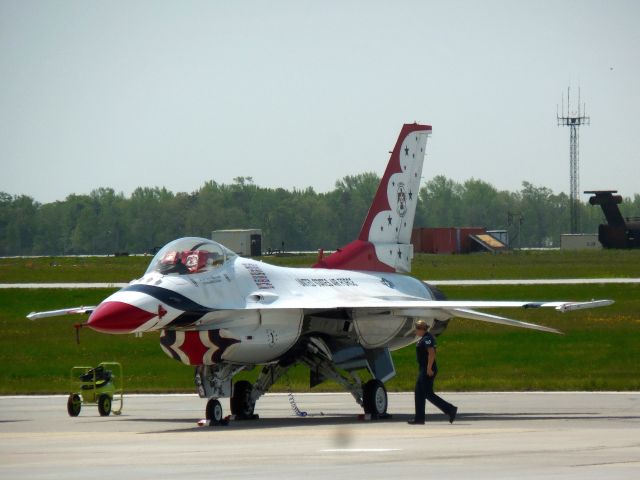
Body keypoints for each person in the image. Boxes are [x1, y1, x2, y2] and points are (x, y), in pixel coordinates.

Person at [408, 319, 458, 425]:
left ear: (421, 329)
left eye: (416, 329)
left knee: (428, 393)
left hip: (427, 369)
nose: (415, 331)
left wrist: (429, 368)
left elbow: (431, 353)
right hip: (423, 368)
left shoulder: (427, 339)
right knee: (419, 393)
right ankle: (419, 418)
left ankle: (450, 409)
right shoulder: (424, 338)